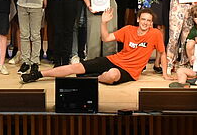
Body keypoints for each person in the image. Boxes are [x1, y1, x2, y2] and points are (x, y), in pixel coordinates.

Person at [24, 8, 165, 85]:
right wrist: (103, 23)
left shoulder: (155, 34)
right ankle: (38, 74)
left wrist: (165, 73)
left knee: (112, 75)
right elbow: (106, 38)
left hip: (129, 71)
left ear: (151, 23)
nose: (146, 22)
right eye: (144, 19)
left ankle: (91, 79)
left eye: (149, 21)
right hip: (114, 60)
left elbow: (162, 53)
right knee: (76, 67)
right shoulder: (128, 29)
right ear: (138, 19)